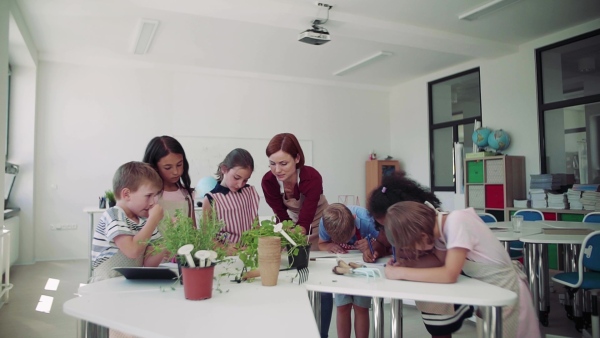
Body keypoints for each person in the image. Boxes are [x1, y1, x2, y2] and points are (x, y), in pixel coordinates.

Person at [384, 201, 541, 338]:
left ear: (423, 236)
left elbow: (449, 274)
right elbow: (438, 260)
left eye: (412, 246)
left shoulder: (456, 222)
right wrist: (406, 264)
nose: (415, 252)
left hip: (507, 290)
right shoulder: (440, 228)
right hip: (489, 292)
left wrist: (400, 273)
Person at [364, 172, 473, 338]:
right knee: (435, 324)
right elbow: (383, 242)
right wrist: (375, 250)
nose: (390, 231)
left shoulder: (428, 222)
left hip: (436, 279)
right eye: (383, 227)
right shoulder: (392, 224)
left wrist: (405, 267)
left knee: (440, 326)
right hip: (418, 277)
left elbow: (440, 262)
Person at [261, 132, 332, 338]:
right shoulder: (269, 181)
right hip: (290, 224)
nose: (277, 170)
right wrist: (288, 233)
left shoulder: (311, 176)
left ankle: (322, 333)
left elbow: (307, 216)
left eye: (283, 163)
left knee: (321, 278)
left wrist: (298, 233)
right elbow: (281, 215)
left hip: (318, 222)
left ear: (297, 158)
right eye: (272, 164)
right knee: (291, 274)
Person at [90, 161, 167, 283]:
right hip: (105, 285)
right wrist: (153, 220)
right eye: (148, 196)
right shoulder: (114, 215)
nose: (153, 202)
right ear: (126, 194)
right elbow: (132, 250)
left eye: (155, 196)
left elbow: (149, 264)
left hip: (129, 284)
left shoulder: (145, 221)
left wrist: (167, 239)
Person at [318, 203, 377, 338]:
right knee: (342, 306)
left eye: (350, 235)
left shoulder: (367, 220)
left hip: (363, 267)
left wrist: (371, 245)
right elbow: (321, 244)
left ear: (354, 218)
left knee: (361, 308)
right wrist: (329, 245)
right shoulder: (326, 222)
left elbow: (384, 243)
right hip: (342, 267)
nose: (349, 240)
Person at [202, 148, 260, 248]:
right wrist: (225, 249)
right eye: (236, 178)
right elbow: (207, 237)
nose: (240, 184)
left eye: (245, 180)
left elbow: (256, 227)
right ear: (224, 169)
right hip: (226, 256)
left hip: (250, 253)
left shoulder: (250, 193)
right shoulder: (211, 199)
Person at [143, 136, 196, 225]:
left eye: (179, 165)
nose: (176, 172)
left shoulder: (186, 194)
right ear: (154, 167)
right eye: (168, 167)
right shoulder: (148, 196)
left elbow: (193, 230)